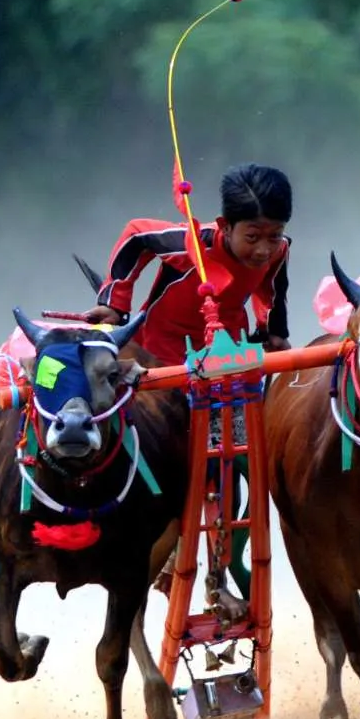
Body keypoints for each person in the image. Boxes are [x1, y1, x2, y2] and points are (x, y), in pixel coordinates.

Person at [83, 162, 293, 622]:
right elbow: (137, 237)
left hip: (227, 362)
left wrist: (274, 333)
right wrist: (114, 302)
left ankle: (221, 580)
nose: (262, 249)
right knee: (184, 469)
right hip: (161, 365)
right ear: (226, 227)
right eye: (252, 236)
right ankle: (164, 562)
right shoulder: (192, 245)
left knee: (241, 462)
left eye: (273, 236)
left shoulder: (278, 251)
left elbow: (274, 289)